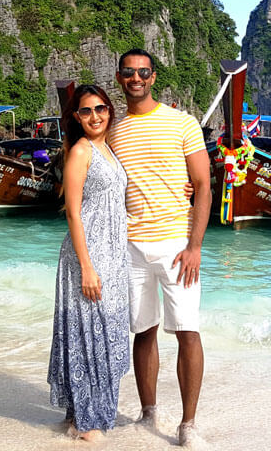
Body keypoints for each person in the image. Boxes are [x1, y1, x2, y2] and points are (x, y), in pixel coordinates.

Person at [108, 49, 212, 447]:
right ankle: (148, 411)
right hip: (130, 247)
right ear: (119, 77)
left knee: (187, 330)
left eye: (143, 72)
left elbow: (202, 186)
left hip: (176, 245)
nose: (136, 78)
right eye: (129, 72)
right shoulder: (112, 129)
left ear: (154, 76)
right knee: (143, 331)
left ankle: (188, 424)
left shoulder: (182, 123)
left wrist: (195, 246)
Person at [48, 85, 131, 442]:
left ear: (109, 111)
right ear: (76, 117)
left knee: (106, 336)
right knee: (88, 337)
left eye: (101, 109)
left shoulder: (107, 148)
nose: (95, 116)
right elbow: (74, 214)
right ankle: (85, 422)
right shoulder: (81, 151)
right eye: (86, 111)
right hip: (89, 255)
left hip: (113, 256)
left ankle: (80, 415)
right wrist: (86, 266)